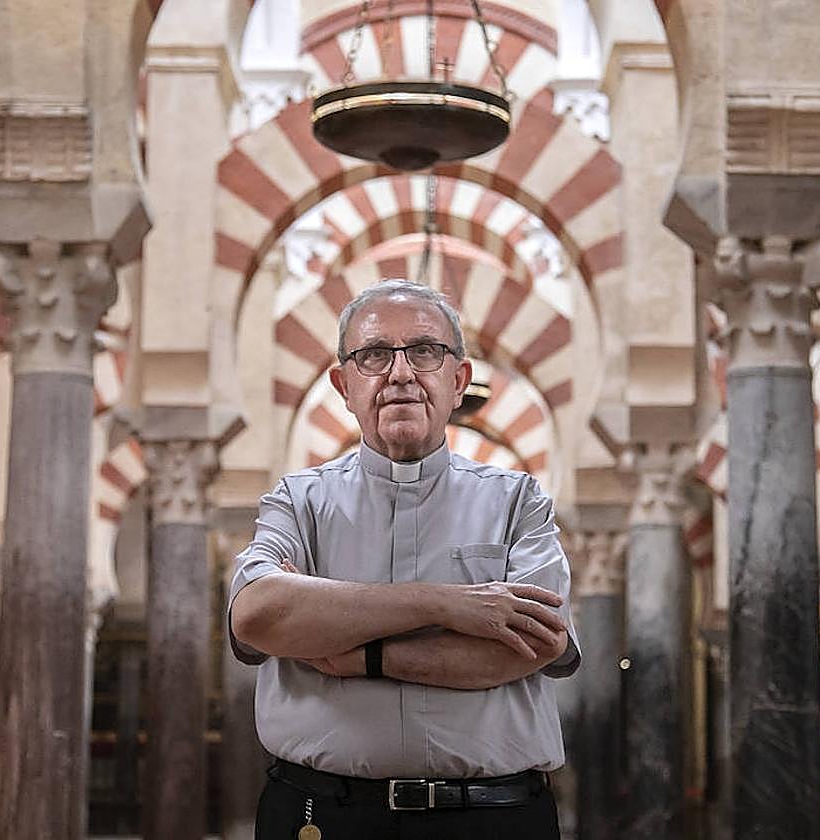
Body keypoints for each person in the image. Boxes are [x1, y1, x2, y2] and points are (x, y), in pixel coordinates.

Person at [229, 279, 581, 840]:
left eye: (424, 351)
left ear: (459, 379)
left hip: (494, 818)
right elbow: (258, 617)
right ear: (344, 384)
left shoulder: (518, 501)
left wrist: (355, 652)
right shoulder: (299, 501)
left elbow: (530, 648)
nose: (399, 374)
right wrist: (453, 605)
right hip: (322, 815)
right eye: (373, 355)